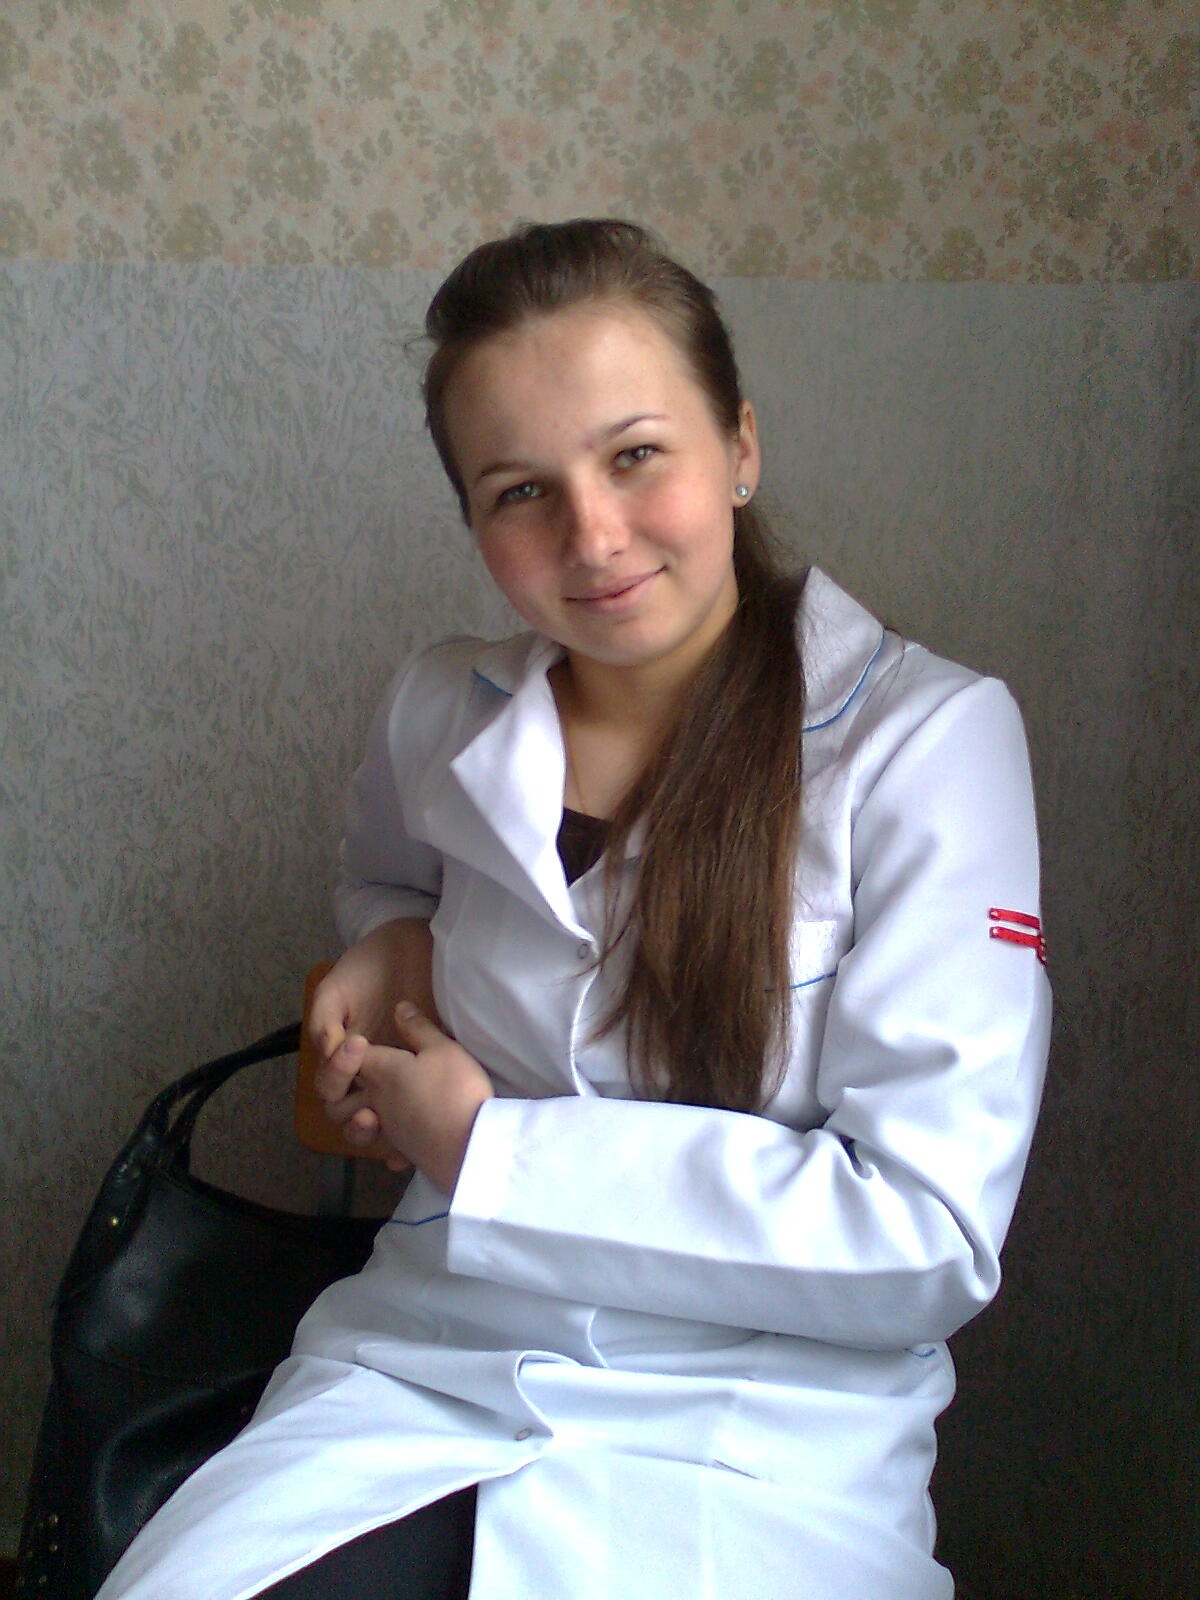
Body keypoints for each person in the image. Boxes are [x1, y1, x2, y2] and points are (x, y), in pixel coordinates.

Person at [98, 219, 1050, 1600]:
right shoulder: (444, 707)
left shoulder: (927, 743)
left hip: (754, 1428)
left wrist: (491, 1153)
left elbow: (925, 1236)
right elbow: (388, 881)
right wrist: (391, 946)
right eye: (520, 491)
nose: (593, 536)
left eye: (637, 455)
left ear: (739, 445)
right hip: (423, 1369)